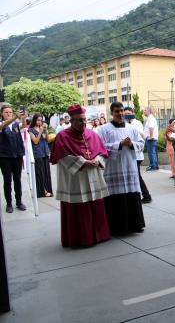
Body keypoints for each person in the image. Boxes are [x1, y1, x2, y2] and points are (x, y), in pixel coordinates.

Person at [50, 104, 110, 247]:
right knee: (79, 210)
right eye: (79, 120)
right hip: (75, 180)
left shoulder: (92, 134)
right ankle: (82, 238)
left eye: (84, 120)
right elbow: (62, 157)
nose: (83, 123)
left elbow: (102, 152)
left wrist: (98, 160)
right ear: (71, 121)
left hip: (93, 176)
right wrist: (82, 163)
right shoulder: (62, 136)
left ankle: (100, 235)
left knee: (96, 205)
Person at [99, 102, 146, 235]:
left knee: (132, 195)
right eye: (116, 111)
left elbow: (141, 144)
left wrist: (131, 144)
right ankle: (116, 227)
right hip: (114, 167)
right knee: (115, 198)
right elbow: (101, 147)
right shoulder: (103, 129)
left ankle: (135, 225)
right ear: (111, 113)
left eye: (121, 111)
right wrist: (119, 144)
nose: (120, 114)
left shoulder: (132, 128)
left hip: (130, 166)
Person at [0, 105, 27, 213]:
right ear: (1, 113)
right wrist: (16, 116)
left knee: (17, 180)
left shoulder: (16, 124)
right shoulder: (2, 124)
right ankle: (9, 203)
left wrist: (23, 117)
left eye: (10, 112)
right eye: (6, 112)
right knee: (7, 181)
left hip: (17, 156)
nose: (8, 114)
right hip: (4, 157)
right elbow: (2, 126)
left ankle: (19, 202)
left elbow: (23, 126)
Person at [124, 107, 152, 203]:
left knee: (136, 176)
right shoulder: (125, 124)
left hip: (137, 155)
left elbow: (140, 136)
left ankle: (146, 196)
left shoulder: (137, 123)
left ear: (132, 113)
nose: (127, 115)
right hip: (129, 155)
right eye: (125, 113)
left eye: (128, 113)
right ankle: (140, 196)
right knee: (134, 176)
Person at [28, 114, 53, 198]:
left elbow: (47, 139)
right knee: (40, 173)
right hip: (37, 154)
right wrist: (40, 132)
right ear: (34, 120)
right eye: (38, 120)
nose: (39, 122)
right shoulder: (31, 130)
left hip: (45, 152)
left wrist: (45, 130)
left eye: (41, 120)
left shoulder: (42, 128)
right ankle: (43, 191)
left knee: (46, 173)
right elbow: (35, 141)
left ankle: (47, 189)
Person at [143, 107, 159, 171]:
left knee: (151, 153)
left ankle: (153, 166)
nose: (144, 111)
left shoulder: (150, 118)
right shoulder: (150, 118)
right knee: (153, 152)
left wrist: (151, 136)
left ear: (149, 111)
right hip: (152, 138)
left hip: (151, 139)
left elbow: (151, 127)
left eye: (145, 110)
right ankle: (155, 165)